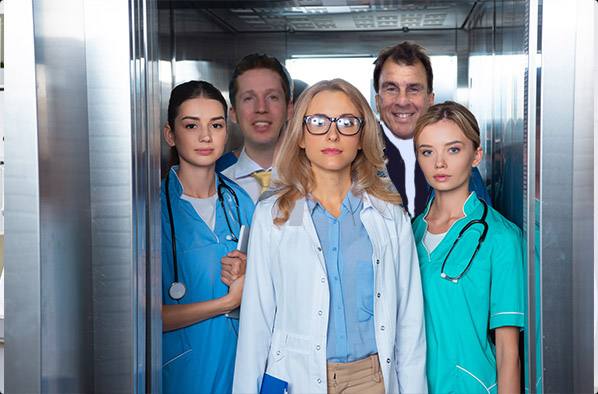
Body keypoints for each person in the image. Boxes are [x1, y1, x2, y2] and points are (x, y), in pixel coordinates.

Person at [233, 79, 427, 394]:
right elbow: (256, 321)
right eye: (319, 122)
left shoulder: (389, 216)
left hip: (371, 380)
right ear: (300, 136)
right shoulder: (275, 215)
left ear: (363, 137)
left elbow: (409, 322)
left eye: (347, 122)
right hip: (297, 378)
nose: (333, 134)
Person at [411, 101, 524, 393]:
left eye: (453, 149)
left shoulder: (501, 238)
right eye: (427, 152)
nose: (439, 163)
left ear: (476, 155)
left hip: (472, 385)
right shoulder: (406, 233)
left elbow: (507, 353)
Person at [161, 81, 255, 394]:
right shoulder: (152, 210)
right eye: (191, 125)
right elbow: (144, 317)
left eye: (215, 125)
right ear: (171, 135)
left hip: (238, 367)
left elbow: (270, 291)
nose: (205, 136)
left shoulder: (241, 202)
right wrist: (228, 301)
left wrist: (249, 277)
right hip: (183, 374)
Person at [373, 41, 491, 218]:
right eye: (391, 89)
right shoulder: (360, 159)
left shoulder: (459, 160)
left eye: (413, 89)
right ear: (377, 100)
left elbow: (481, 228)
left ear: (430, 99)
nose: (402, 101)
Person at [217, 53, 294, 203]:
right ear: (233, 113)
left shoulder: (311, 178)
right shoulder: (215, 181)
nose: (261, 108)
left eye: (272, 97)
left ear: (289, 109)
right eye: (248, 98)